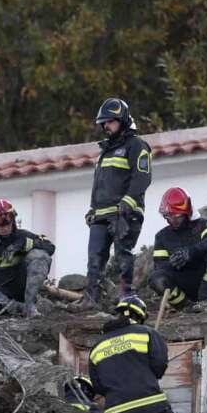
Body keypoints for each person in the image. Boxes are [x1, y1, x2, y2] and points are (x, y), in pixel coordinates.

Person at [73, 98, 152, 311]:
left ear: (123, 120)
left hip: (124, 213)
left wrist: (128, 201)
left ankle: (127, 296)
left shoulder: (137, 145)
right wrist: (93, 208)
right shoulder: (105, 151)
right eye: (103, 123)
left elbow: (142, 177)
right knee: (94, 257)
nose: (105, 126)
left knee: (122, 255)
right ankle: (90, 299)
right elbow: (100, 184)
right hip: (101, 214)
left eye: (110, 122)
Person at [0, 198, 55, 318]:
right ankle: (22, 308)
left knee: (40, 256)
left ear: (13, 219)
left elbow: (50, 247)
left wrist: (24, 244)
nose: (5, 227)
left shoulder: (21, 236)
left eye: (8, 221)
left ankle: (30, 305)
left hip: (16, 290)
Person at [150, 187, 207, 311]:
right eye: (169, 216)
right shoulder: (161, 237)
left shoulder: (202, 225)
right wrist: (173, 262)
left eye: (178, 217)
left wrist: (190, 253)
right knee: (156, 279)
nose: (173, 220)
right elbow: (159, 267)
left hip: (202, 278)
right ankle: (186, 307)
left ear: (187, 213)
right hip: (181, 284)